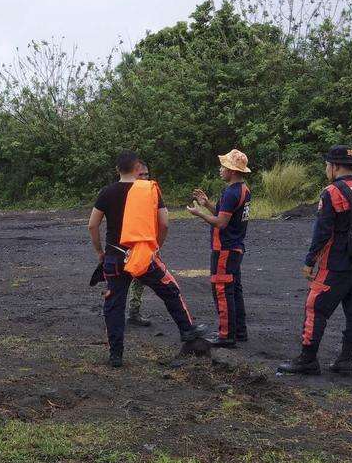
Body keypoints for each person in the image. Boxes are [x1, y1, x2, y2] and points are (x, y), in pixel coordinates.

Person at [88, 150, 206, 367]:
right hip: (143, 256)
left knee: (114, 304)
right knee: (169, 289)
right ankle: (188, 332)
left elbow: (92, 224)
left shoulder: (106, 192)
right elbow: (165, 223)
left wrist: (99, 252)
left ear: (117, 170)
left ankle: (116, 355)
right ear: (137, 169)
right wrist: (156, 247)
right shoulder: (149, 190)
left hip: (114, 255)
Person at [278, 145, 352, 375]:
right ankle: (345, 360)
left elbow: (323, 232)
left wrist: (309, 261)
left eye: (327, 165)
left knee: (315, 307)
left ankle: (307, 359)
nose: (326, 169)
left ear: (335, 166)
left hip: (336, 264)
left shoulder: (332, 192)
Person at [187, 149, 252, 347]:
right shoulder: (242, 189)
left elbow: (221, 223)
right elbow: (225, 215)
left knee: (222, 290)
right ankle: (239, 331)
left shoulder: (232, 192)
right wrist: (207, 205)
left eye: (223, 166)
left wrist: (199, 214)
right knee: (234, 290)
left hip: (224, 248)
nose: (220, 170)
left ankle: (226, 335)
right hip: (235, 246)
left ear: (232, 170)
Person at [127, 161, 151, 327]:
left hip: (143, 244)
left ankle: (133, 312)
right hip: (127, 243)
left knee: (139, 279)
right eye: (140, 174)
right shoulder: (126, 192)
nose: (144, 177)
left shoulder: (150, 192)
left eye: (146, 174)